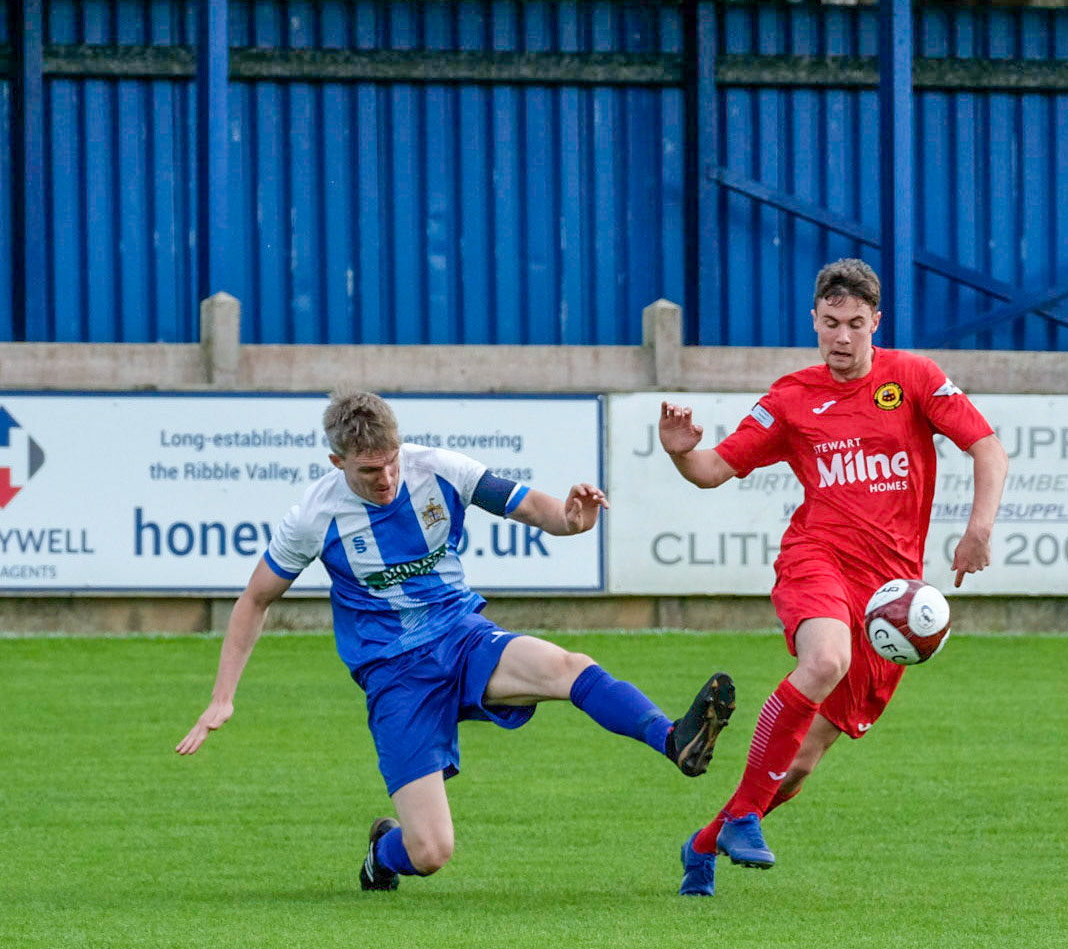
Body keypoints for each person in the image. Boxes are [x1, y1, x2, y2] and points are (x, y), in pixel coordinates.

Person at [176, 390, 737, 890]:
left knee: (567, 666)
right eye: (369, 470)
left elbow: (538, 509)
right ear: (337, 462)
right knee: (430, 852)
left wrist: (573, 518)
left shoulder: (439, 469)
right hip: (394, 675)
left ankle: (673, 740)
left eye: (391, 462)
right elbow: (254, 600)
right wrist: (222, 698)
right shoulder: (314, 517)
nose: (386, 478)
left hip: (460, 635)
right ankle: (381, 853)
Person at [659, 258, 1010, 897]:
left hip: (888, 599)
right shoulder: (791, 398)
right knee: (824, 660)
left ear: (876, 322)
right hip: (816, 559)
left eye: (854, 323)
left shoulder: (914, 378)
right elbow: (712, 470)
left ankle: (704, 843)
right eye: (830, 323)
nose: (842, 337)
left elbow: (987, 447)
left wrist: (977, 529)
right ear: (814, 321)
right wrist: (681, 453)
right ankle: (743, 817)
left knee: (796, 766)